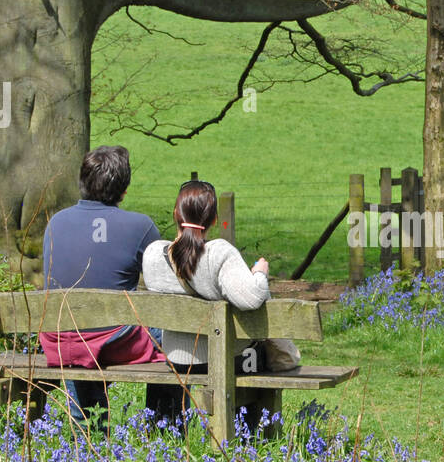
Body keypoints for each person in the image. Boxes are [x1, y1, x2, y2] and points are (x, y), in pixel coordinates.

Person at [39, 145, 170, 426]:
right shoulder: (141, 227)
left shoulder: (55, 223)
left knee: (77, 330)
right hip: (114, 341)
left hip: (60, 342)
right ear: (123, 190)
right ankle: (164, 431)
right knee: (177, 334)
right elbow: (164, 290)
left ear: (82, 183)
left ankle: (87, 426)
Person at [141, 180, 272, 427]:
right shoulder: (218, 254)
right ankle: (250, 439)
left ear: (175, 215)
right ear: (213, 220)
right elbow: (253, 296)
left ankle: (163, 431)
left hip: (176, 358)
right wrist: (260, 272)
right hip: (227, 359)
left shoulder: (152, 255)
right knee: (258, 353)